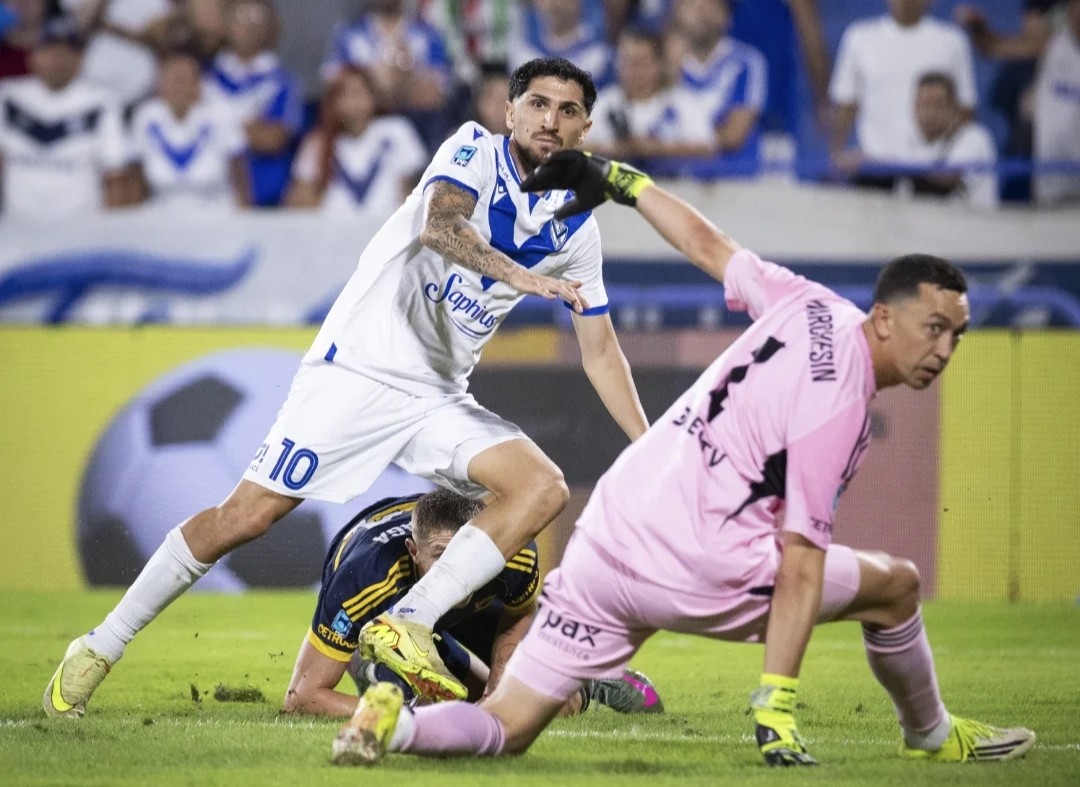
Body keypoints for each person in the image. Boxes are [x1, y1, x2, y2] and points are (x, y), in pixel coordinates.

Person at [330, 149, 1037, 767]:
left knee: (506, 723)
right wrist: (777, 699)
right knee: (900, 586)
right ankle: (932, 732)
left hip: (609, 535)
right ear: (885, 318)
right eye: (934, 328)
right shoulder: (840, 399)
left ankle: (394, 726)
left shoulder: (809, 304)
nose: (943, 350)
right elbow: (799, 562)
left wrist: (624, 183)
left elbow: (707, 243)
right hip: (700, 563)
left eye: (958, 336)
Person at [43, 56, 649, 719]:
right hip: (356, 372)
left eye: (567, 111)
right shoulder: (473, 151)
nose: (549, 120)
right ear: (510, 112)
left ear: (586, 127)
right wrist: (526, 279)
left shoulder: (576, 229)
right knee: (245, 517)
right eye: (536, 103)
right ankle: (101, 643)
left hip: (437, 396)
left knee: (543, 487)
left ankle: (410, 619)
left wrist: (651, 445)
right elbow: (441, 228)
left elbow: (599, 347)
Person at [283, 489, 663, 718]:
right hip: (385, 615)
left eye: (462, 557)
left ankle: (586, 677)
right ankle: (385, 669)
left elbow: (519, 614)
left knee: (514, 705)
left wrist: (502, 683)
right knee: (437, 704)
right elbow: (301, 699)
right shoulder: (364, 580)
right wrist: (407, 714)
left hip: (475, 610)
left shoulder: (510, 554)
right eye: (440, 556)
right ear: (413, 552)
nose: (453, 571)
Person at [829, 0, 978, 183]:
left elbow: (965, 110)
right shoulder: (859, 37)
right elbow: (846, 104)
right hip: (873, 170)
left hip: (932, 172)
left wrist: (943, 159)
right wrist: (836, 155)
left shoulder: (952, 41)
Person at [0, 15, 131, 219]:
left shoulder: (102, 101)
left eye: (68, 51)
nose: (58, 59)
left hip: (79, 231)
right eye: (50, 50)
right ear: (33, 56)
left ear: (81, 60)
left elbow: (116, 173)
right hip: (18, 229)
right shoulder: (8, 97)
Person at [285, 65, 426, 221]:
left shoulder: (396, 131)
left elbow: (411, 189)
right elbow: (299, 200)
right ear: (333, 102)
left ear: (373, 96)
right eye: (344, 95)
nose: (353, 102)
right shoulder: (317, 143)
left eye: (358, 92)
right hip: (334, 232)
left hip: (384, 227)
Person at [203, 0, 302, 207]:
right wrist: (250, 127)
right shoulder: (207, 79)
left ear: (270, 29)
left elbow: (273, 139)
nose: (249, 26)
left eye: (257, 18)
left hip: (268, 197)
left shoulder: (282, 81)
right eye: (241, 17)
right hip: (214, 197)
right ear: (226, 25)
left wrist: (224, 121)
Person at [129, 46, 249, 211]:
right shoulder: (146, 117)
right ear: (160, 85)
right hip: (161, 211)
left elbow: (239, 173)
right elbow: (135, 174)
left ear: (198, 85)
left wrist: (244, 217)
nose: (179, 87)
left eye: (184, 80)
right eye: (172, 80)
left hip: (214, 210)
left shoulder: (220, 114)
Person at [901, 71, 998, 210]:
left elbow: (946, 182)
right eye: (923, 105)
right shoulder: (910, 141)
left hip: (973, 227)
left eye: (937, 105)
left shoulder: (974, 137)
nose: (929, 114)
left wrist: (900, 170)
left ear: (954, 109)